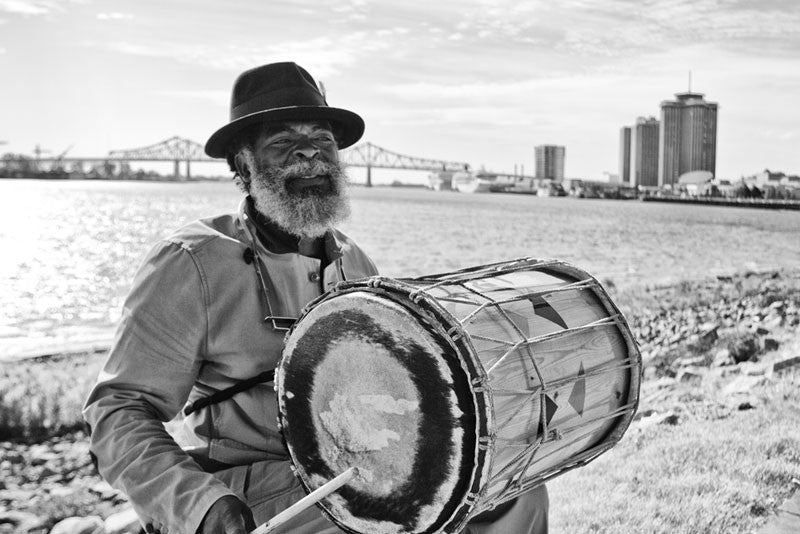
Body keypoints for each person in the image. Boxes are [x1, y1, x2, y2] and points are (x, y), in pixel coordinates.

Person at [83, 62, 548, 534]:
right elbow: (118, 410)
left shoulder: (356, 264)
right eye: (283, 142)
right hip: (247, 487)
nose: (309, 153)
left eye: (322, 139)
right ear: (244, 165)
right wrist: (200, 505)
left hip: (355, 471)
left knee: (512, 489)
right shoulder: (191, 263)